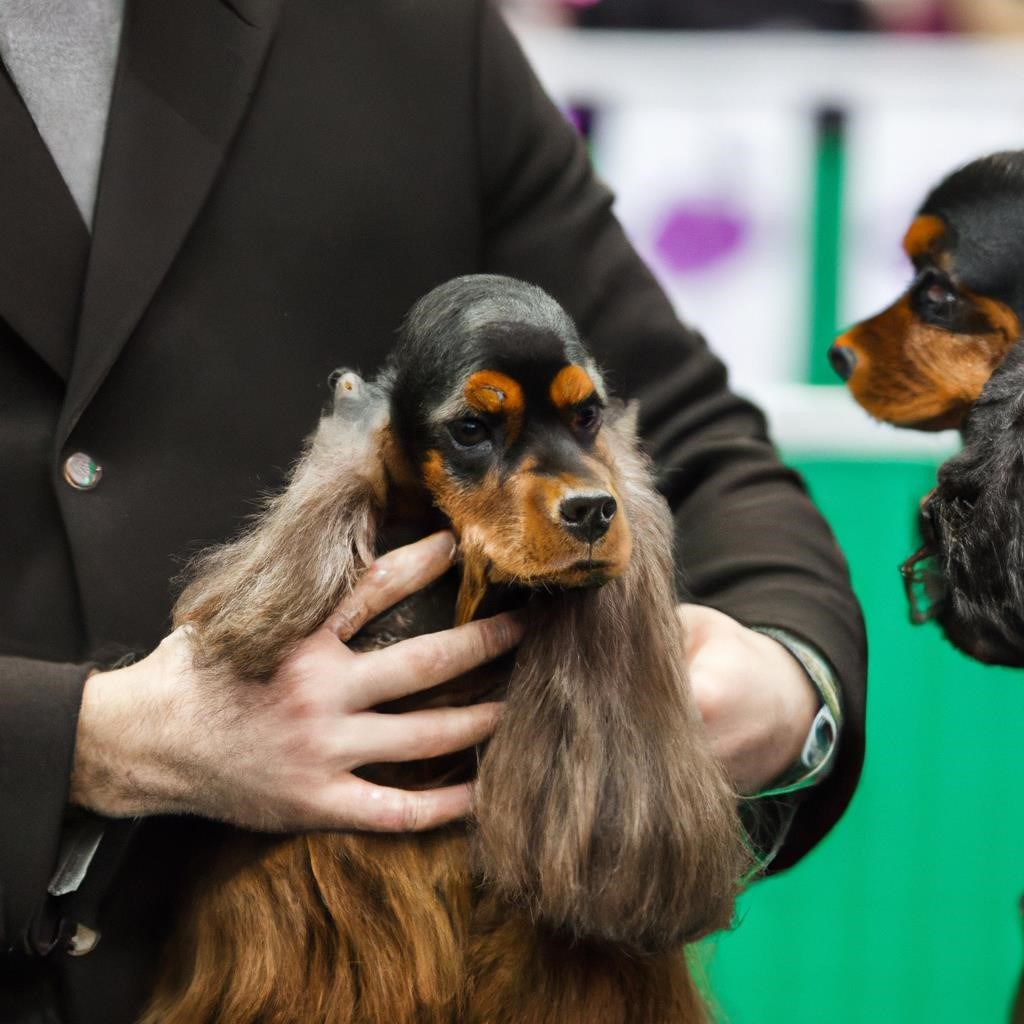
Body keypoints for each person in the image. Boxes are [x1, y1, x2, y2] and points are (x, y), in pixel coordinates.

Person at [0, 1, 866, 1021]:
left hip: (487, 966)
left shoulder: (416, 26)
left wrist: (784, 682)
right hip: (260, 946)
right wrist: (93, 739)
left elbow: (685, 435)